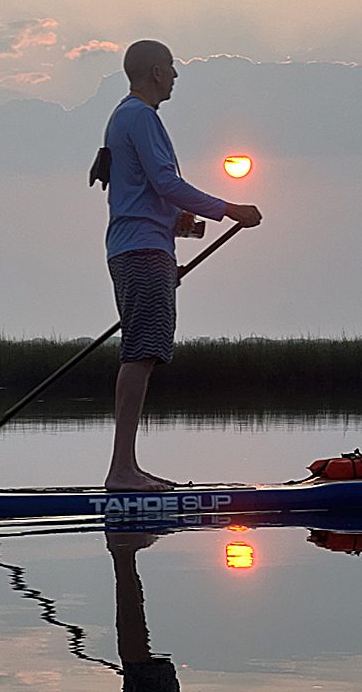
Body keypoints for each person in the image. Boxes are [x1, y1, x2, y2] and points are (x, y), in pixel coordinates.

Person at [102, 40, 261, 492]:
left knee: (144, 352)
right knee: (141, 353)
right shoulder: (139, 116)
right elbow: (165, 182)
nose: (175, 75)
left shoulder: (126, 117)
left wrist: (186, 226)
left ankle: (126, 468)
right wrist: (228, 208)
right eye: (171, 68)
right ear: (154, 71)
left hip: (145, 247)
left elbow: (144, 194)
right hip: (140, 251)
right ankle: (122, 472)